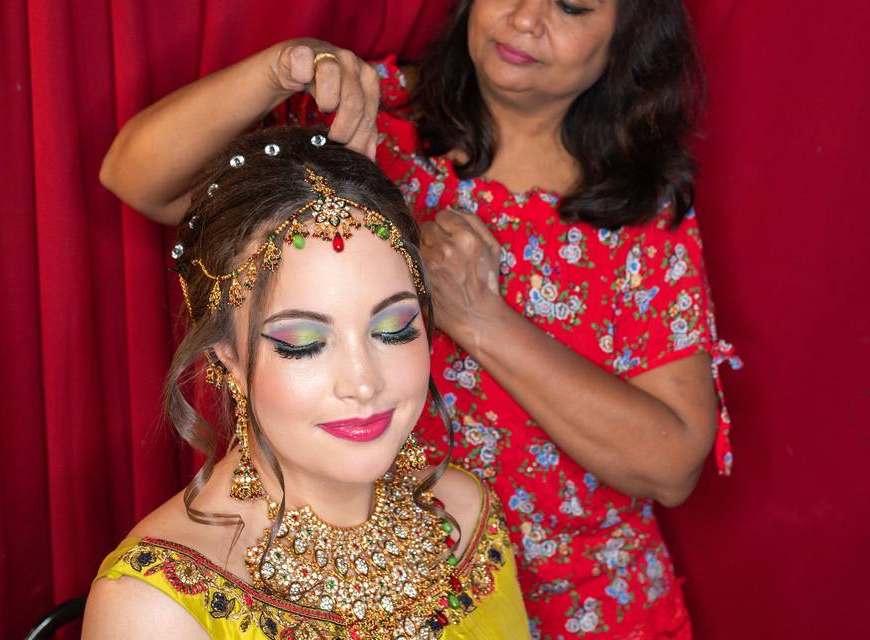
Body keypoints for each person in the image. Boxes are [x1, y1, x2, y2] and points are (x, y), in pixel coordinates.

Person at [98, 1, 742, 636]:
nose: (525, 18)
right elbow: (144, 182)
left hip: (584, 597)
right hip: (348, 577)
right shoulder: (361, 118)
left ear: (628, 36)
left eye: (572, 7)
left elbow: (674, 462)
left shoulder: (638, 208)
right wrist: (280, 68)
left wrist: (479, 320)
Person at [82, 127, 529, 640]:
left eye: (394, 329)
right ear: (227, 354)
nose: (363, 384)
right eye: (303, 343)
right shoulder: (154, 608)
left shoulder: (465, 513)